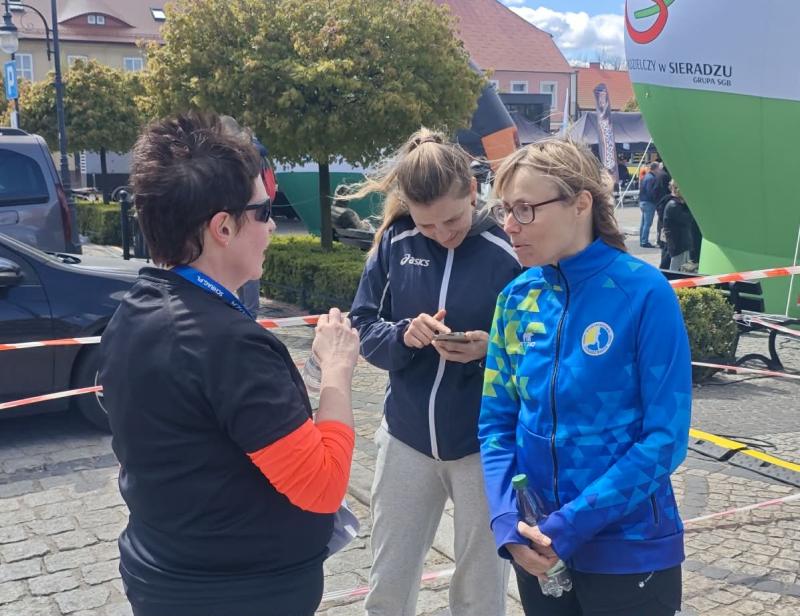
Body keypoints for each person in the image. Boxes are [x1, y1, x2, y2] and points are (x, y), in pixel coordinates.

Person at [99, 112, 360, 616]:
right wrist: (337, 371)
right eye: (264, 212)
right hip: (236, 591)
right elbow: (323, 486)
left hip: (166, 572)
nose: (272, 227)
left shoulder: (136, 308)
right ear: (223, 227)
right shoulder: (228, 344)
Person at [479, 138, 692, 616]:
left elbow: (666, 438)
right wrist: (507, 521)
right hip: (536, 546)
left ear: (580, 204)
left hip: (629, 549)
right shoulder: (515, 299)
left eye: (525, 209)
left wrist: (571, 524)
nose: (509, 225)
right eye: (504, 210)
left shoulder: (644, 293)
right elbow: (495, 425)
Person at [348, 128, 522, 616]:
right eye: (428, 226)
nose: (443, 234)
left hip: (483, 444)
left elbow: (540, 348)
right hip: (405, 437)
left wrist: (490, 352)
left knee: (480, 592)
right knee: (388, 583)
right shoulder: (395, 240)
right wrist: (402, 336)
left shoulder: (509, 249)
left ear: (473, 190)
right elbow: (363, 326)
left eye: (452, 220)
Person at [663, 180, 696, 271]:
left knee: (682, 265)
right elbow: (687, 219)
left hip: (681, 240)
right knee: (676, 265)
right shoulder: (674, 205)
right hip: (677, 241)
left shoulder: (677, 204)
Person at [638, 161, 661, 247]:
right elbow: (650, 192)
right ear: (656, 168)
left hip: (643, 201)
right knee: (648, 223)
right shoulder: (652, 178)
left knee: (643, 223)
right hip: (649, 202)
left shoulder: (646, 176)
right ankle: (644, 241)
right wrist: (656, 200)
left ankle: (642, 240)